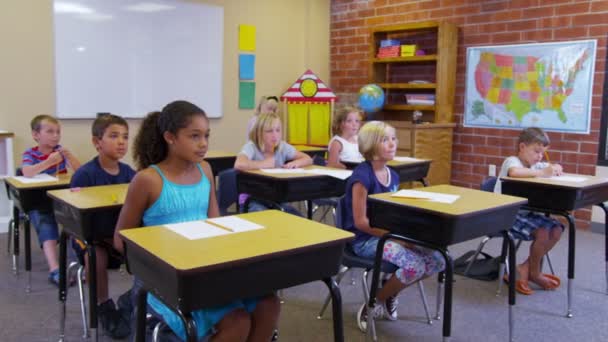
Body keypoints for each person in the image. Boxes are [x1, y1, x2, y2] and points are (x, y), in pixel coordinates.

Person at [113, 100, 280, 341]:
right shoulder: (148, 180)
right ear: (170, 137)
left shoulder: (205, 170)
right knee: (238, 322)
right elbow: (121, 241)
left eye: (206, 136)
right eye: (194, 136)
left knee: (269, 303)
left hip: (206, 269)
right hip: (169, 280)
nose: (203, 144)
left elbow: (215, 223)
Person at [342, 121, 445, 333]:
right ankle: (375, 301)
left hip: (389, 235)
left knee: (438, 259)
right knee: (414, 266)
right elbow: (361, 222)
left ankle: (391, 290)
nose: (392, 143)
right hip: (364, 240)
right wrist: (394, 238)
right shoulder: (362, 177)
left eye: (393, 138)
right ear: (370, 145)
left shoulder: (394, 176)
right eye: (385, 139)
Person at [70, 113, 136, 339]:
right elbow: (75, 217)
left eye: (125, 137)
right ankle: (103, 305)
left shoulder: (129, 173)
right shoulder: (85, 175)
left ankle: (135, 298)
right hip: (90, 238)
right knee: (94, 255)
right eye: (114, 136)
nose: (121, 142)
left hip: (118, 238)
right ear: (97, 142)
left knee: (152, 254)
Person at [494, 127, 564, 295]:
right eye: (536, 151)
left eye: (543, 153)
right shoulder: (512, 161)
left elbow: (549, 168)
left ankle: (525, 268)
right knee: (541, 233)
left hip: (525, 212)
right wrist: (541, 172)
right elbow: (514, 172)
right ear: (522, 147)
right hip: (504, 213)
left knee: (557, 229)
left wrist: (555, 167)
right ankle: (535, 273)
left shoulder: (536, 164)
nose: (539, 156)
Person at [21, 114, 81, 286]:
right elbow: (27, 172)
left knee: (74, 226)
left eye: (58, 132)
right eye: (50, 131)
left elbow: (81, 172)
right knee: (47, 228)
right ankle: (55, 269)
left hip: (60, 200)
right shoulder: (30, 154)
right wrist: (48, 163)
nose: (56, 135)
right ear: (36, 135)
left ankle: (74, 265)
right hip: (38, 202)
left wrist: (70, 157)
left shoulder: (60, 151)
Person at [234, 112, 312, 215]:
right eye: (269, 131)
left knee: (298, 219)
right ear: (259, 133)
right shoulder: (251, 146)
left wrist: (296, 163)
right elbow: (239, 164)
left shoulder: (282, 147)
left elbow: (308, 159)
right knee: (264, 218)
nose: (275, 135)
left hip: (276, 199)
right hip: (253, 199)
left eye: (278, 130)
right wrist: (263, 164)